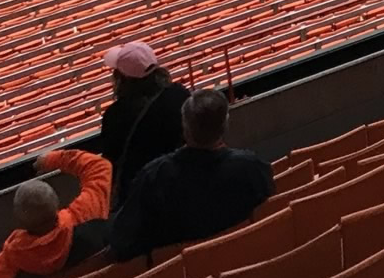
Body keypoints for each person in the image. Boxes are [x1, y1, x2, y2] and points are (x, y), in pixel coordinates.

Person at [110, 89, 273, 262]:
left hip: (180, 275)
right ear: (225, 124)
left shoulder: (155, 177)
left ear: (185, 127)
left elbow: (122, 241)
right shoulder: (252, 167)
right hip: (245, 260)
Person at [0, 147, 112, 278]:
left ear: (19, 220)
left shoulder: (13, 258)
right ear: (56, 204)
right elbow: (99, 166)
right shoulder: (87, 213)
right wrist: (52, 159)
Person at [96, 42, 190, 202]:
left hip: (141, 195)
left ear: (122, 77)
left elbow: (110, 160)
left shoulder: (115, 115)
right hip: (184, 179)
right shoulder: (180, 94)